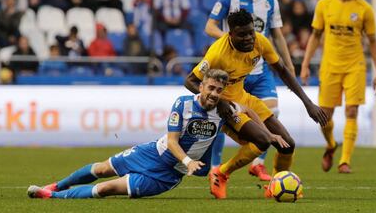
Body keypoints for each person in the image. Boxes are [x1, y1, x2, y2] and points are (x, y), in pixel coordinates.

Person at [27, 69, 288, 199]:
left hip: (168, 174)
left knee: (106, 188)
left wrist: (268, 133)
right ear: (202, 85)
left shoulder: (224, 108)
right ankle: (57, 185)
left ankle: (50, 196)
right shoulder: (183, 104)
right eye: (211, 87)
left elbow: (250, 111)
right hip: (154, 152)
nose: (214, 93)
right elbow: (173, 140)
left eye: (219, 89)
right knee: (102, 168)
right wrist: (189, 161)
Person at [185, 9, 328, 199]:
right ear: (230, 34)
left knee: (287, 145)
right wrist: (220, 103)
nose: (248, 38)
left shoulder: (260, 41)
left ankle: (275, 186)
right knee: (263, 140)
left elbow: (282, 70)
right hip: (226, 107)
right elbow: (190, 81)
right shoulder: (217, 53)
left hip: (245, 99)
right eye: (242, 34)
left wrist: (308, 103)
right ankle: (221, 172)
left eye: (250, 32)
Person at [204, 0, 295, 181]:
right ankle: (216, 167)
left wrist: (289, 64)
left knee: (271, 113)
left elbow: (277, 35)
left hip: (259, 70)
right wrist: (229, 39)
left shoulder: (271, 0)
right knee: (222, 118)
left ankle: (258, 164)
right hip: (231, 73)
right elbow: (209, 26)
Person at [300, 0, 376, 174]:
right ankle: (330, 146)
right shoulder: (324, 5)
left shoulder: (364, 9)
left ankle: (344, 161)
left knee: (352, 111)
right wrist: (305, 64)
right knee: (325, 116)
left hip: (355, 65)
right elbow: (315, 36)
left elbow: (373, 41)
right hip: (329, 66)